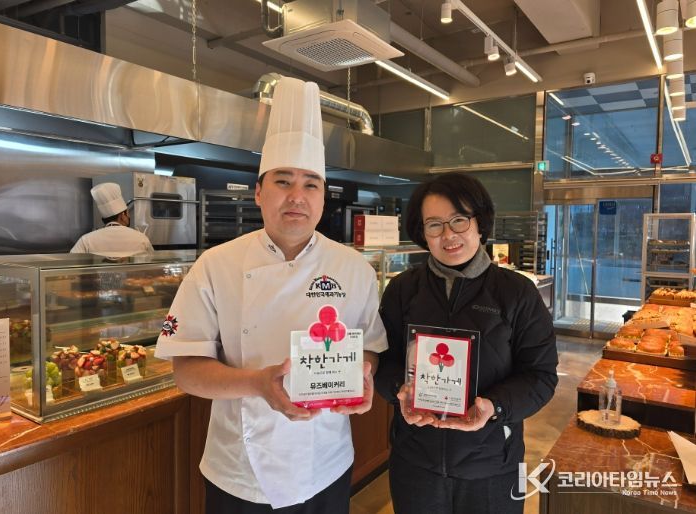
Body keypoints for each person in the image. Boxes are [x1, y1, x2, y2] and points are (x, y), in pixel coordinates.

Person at [154, 77, 387, 513]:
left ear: (323, 198)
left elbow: (370, 347)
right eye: (283, 181)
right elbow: (186, 373)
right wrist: (258, 384)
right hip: (239, 471)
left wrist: (363, 376)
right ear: (259, 192)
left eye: (311, 184)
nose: (297, 197)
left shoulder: (354, 269)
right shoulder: (215, 266)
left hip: (327, 462)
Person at [374, 173, 558, 514]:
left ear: (479, 223)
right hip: (415, 462)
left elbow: (541, 375)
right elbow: (383, 361)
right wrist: (400, 389)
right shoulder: (403, 289)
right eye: (434, 224)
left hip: (493, 465)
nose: (448, 234)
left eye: (459, 220)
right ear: (422, 232)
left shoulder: (516, 292)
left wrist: (495, 407)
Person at [70, 182, 153, 256]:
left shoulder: (86, 240)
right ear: (122, 215)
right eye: (128, 213)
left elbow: (71, 263)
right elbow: (152, 262)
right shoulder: (141, 238)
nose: (129, 216)